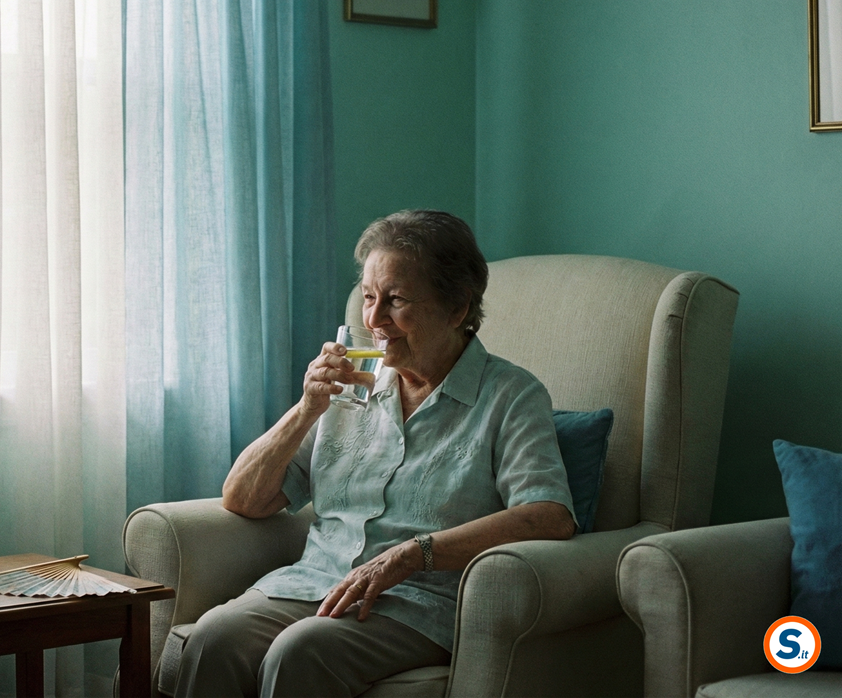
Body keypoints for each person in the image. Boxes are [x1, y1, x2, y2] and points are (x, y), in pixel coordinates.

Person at [173, 209, 578, 698]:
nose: (373, 319)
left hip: (417, 602)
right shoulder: (350, 389)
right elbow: (244, 500)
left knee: (299, 650)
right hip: (315, 581)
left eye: (396, 300)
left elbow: (549, 515)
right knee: (213, 637)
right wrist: (306, 408)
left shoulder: (511, 395)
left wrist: (414, 554)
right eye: (368, 297)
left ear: (456, 308)